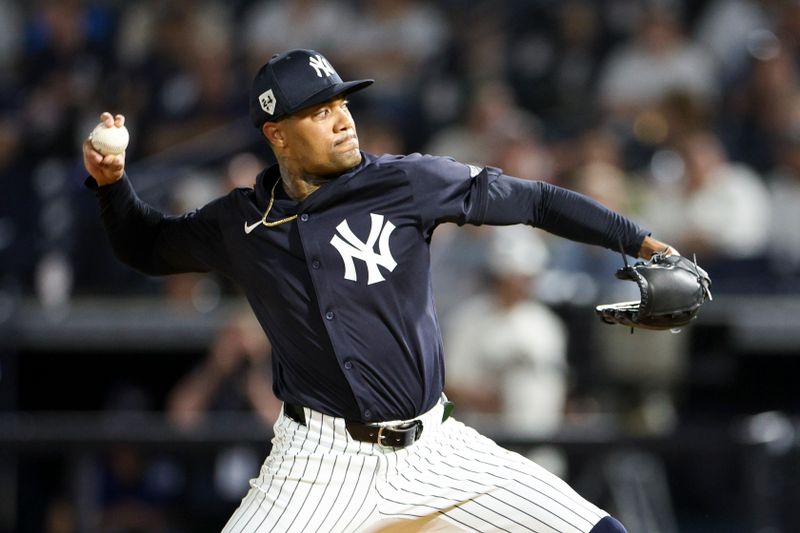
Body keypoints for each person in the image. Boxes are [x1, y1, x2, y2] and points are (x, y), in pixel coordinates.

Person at [83, 49, 678, 533]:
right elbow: (147, 247)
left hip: (438, 448)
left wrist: (647, 244)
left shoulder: (406, 182)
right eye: (319, 111)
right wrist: (112, 186)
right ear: (278, 136)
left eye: (342, 102)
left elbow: (539, 199)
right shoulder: (241, 222)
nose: (343, 118)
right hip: (319, 464)